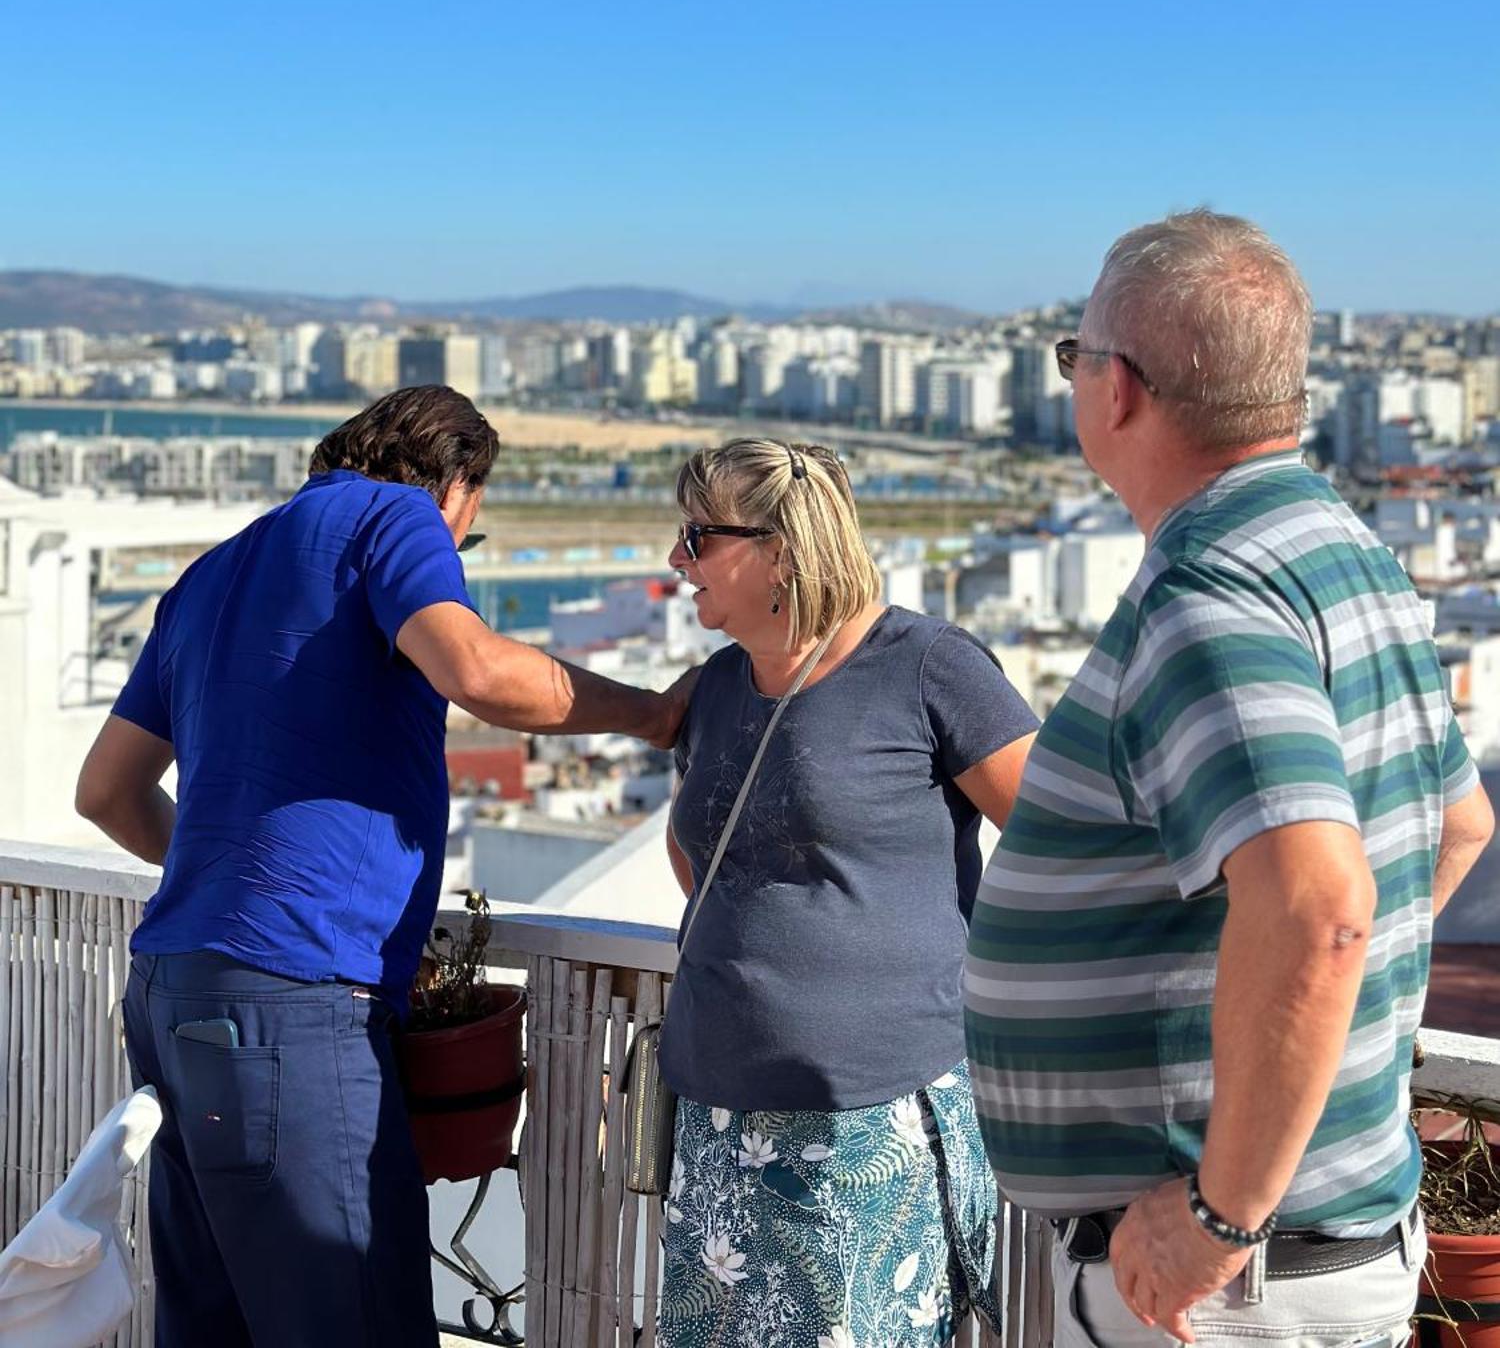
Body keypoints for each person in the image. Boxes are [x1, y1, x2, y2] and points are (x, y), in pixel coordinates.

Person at [964, 212, 1496, 1348]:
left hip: (1223, 1283)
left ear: (1120, 390)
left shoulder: (1208, 594)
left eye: (1075, 357)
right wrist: (1303, 1012)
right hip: (1306, 1255)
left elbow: (1316, 907)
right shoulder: (1346, 557)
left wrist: (1220, 1208)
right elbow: (1460, 824)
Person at [74, 385, 695, 1348]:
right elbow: (476, 672)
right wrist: (656, 715)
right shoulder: (397, 517)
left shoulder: (214, 572)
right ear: (458, 486)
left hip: (172, 988)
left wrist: (234, 880)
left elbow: (107, 793)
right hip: (293, 1001)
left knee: (215, 1325)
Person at [657, 437, 1038, 1348]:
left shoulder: (926, 664)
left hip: (870, 1120)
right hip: (718, 1116)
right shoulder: (718, 686)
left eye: (696, 537)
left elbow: (1058, 844)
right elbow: (704, 858)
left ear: (779, 547)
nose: (676, 560)